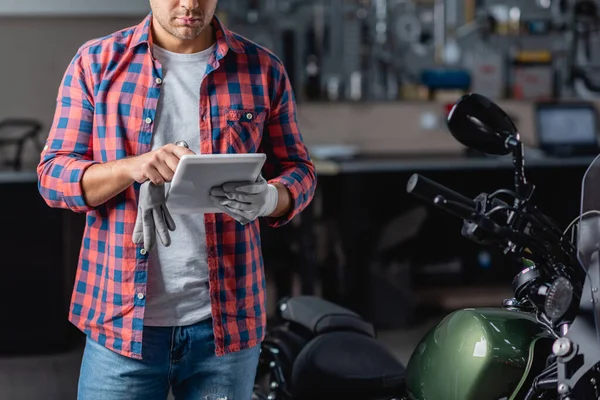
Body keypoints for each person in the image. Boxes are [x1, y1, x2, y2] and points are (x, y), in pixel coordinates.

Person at [36, 0, 317, 398]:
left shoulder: (262, 69)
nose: (189, 4)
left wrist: (272, 198)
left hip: (226, 325)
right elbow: (52, 177)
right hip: (121, 323)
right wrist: (132, 169)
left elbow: (301, 170)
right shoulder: (96, 63)